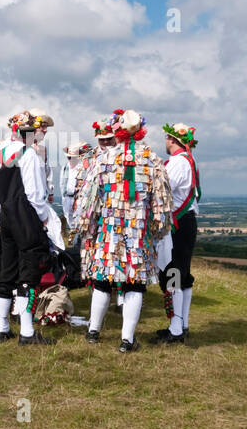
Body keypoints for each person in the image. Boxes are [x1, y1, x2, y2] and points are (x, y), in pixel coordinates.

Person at [73, 110, 172, 353]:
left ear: (116, 133)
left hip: (108, 231)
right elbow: (161, 203)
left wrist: (88, 228)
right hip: (138, 234)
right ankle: (127, 340)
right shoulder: (153, 161)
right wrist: (158, 228)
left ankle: (93, 332)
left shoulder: (103, 160)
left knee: (103, 280)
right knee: (134, 283)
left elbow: (90, 201)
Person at [0, 109, 54, 346]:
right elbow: (35, 195)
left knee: (7, 270)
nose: (39, 132)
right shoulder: (29, 155)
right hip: (25, 217)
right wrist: (44, 219)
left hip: (5, 216)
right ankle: (26, 333)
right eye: (36, 129)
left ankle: (3, 329)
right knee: (28, 273)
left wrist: (5, 212)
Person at [155, 123, 202, 345]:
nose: (165, 141)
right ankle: (181, 324)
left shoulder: (178, 163)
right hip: (186, 221)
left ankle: (175, 329)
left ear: (172, 140)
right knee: (182, 274)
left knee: (173, 273)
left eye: (167, 137)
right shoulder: (187, 161)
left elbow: (163, 190)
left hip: (178, 223)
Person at [61, 142, 94, 233]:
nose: (70, 159)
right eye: (69, 157)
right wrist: (63, 196)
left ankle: (77, 237)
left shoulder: (82, 168)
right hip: (67, 197)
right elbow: (62, 183)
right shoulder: (65, 167)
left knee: (79, 220)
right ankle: (72, 237)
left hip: (77, 198)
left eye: (72, 157)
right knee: (69, 218)